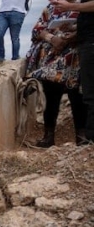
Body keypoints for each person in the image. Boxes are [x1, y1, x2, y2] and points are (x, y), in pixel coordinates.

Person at [25, 1, 85, 147]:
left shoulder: (83, 6)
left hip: (73, 58)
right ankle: (48, 136)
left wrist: (69, 38)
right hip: (51, 57)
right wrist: (52, 39)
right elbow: (38, 29)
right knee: (51, 96)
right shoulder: (51, 7)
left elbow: (87, 29)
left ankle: (81, 136)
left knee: (77, 95)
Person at [50, 0, 94, 144]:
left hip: (91, 44)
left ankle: (91, 140)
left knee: (91, 94)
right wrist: (74, 28)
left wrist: (70, 7)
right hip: (86, 41)